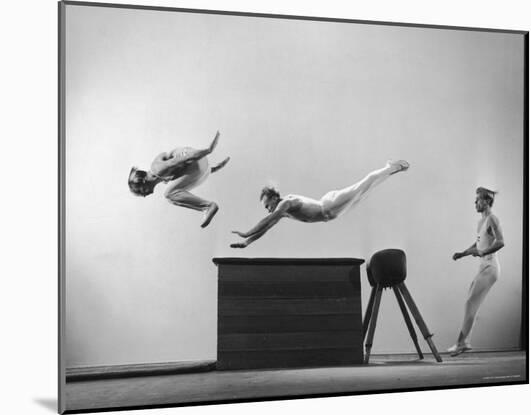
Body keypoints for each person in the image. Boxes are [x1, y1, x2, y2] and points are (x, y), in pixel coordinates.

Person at [230, 159, 409, 248]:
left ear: (273, 198)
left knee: (362, 186)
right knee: (364, 194)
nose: (267, 209)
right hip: (332, 214)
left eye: (267, 205)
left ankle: (392, 167)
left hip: (329, 204)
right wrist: (247, 243)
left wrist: (246, 233)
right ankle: (389, 172)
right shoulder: (284, 212)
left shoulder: (285, 204)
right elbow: (266, 228)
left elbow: (266, 221)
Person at [128, 131, 230, 228]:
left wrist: (208, 150)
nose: (145, 195)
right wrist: (211, 169)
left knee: (169, 195)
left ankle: (208, 206)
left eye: (141, 192)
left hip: (195, 158)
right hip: (200, 165)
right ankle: (206, 207)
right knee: (174, 194)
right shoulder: (160, 174)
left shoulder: (158, 169)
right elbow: (181, 168)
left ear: (143, 181)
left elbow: (179, 160)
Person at [449, 187, 505, 356]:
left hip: (491, 267)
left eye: (478, 200)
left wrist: (483, 252)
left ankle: (462, 343)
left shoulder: (493, 219)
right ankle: (463, 342)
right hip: (483, 266)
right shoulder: (481, 222)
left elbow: (501, 242)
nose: (475, 203)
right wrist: (463, 253)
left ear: (487, 201)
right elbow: (478, 244)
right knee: (471, 303)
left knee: (470, 303)